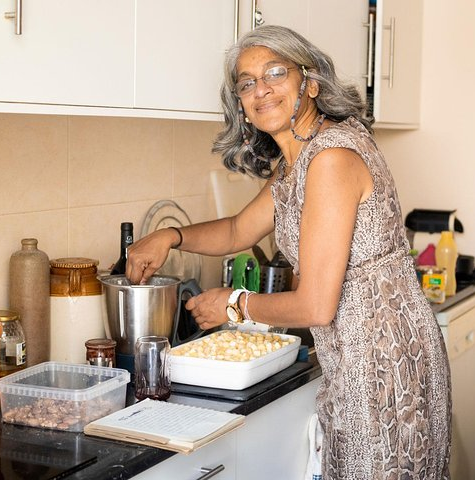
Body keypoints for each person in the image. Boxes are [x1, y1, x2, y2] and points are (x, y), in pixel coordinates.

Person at [126, 25, 451, 480]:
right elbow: (239, 229)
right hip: (359, 354)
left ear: (310, 83)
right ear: (239, 102)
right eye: (247, 81)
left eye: (275, 73)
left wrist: (233, 304)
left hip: (383, 362)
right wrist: (170, 237)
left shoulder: (331, 159)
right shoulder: (298, 162)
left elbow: (316, 305)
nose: (261, 89)